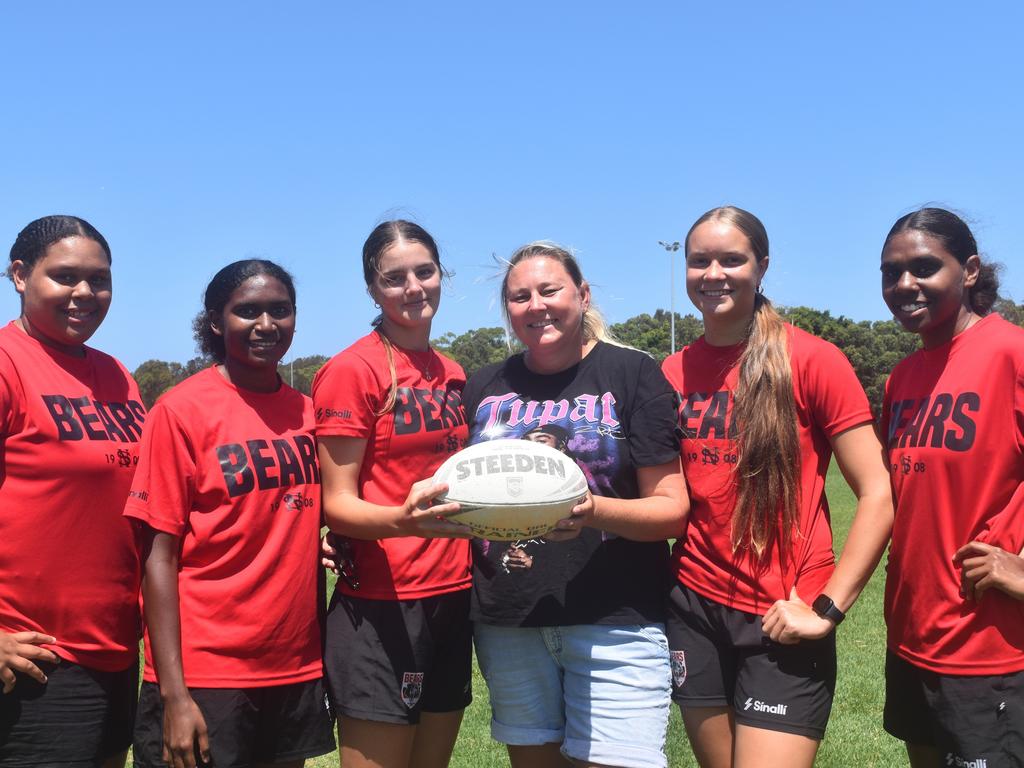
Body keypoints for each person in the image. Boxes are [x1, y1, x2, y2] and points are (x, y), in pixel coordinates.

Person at [660, 206, 894, 768]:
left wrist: (828, 608)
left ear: (761, 267)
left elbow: (878, 491)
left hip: (786, 615)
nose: (714, 273)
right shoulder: (670, 373)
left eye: (731, 259)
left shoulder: (814, 359)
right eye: (699, 261)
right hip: (693, 610)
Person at [462, 241, 688, 768]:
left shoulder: (632, 374)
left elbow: (671, 510)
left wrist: (593, 512)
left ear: (582, 296)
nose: (536, 305)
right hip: (509, 620)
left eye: (550, 290)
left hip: (617, 620)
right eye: (520, 296)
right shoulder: (483, 387)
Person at [125, 260, 334, 768]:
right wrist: (175, 694)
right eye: (248, 311)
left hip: (292, 665)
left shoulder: (309, 413)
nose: (266, 325)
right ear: (216, 322)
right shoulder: (180, 411)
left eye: (280, 311)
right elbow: (158, 555)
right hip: (207, 671)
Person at [313, 220, 473, 768]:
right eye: (394, 278)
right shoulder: (351, 371)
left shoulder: (451, 372)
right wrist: (405, 522)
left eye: (425, 272)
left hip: (453, 596)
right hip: (383, 604)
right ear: (371, 289)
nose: (414, 288)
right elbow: (335, 503)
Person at [878, 207, 1024, 767]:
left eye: (923, 267)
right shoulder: (903, 378)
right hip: (914, 637)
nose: (904, 285)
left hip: (990, 648)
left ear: (969, 271)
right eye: (891, 272)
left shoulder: (1010, 354)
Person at [0, 215, 145, 768]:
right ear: (19, 275)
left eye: (100, 279)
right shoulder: (9, 362)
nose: (85, 293)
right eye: (64, 276)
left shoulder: (117, 376)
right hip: (36, 658)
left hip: (113, 649)